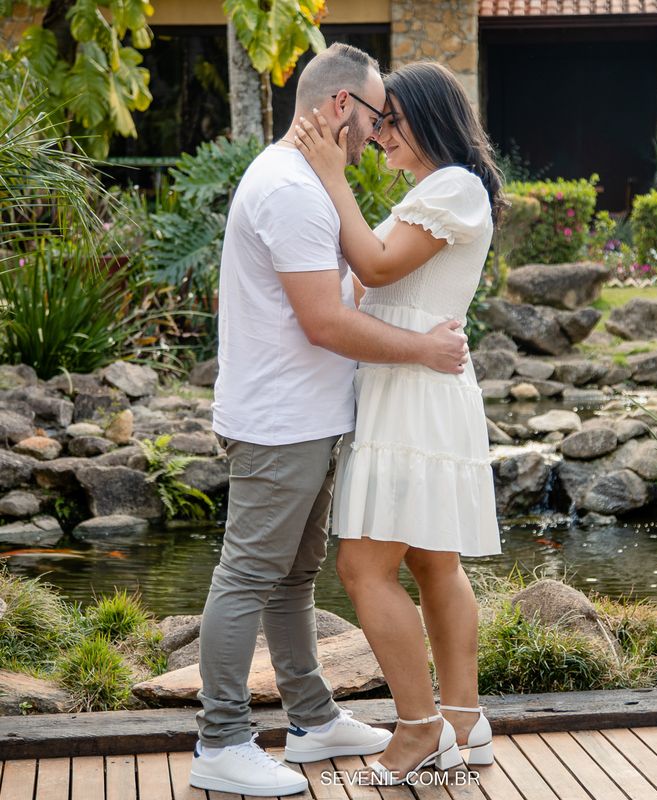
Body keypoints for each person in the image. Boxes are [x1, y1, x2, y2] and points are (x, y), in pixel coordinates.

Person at [190, 44, 470, 798]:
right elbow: (325, 321)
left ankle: (312, 718)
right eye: (378, 116)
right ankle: (220, 741)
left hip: (306, 415)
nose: (381, 134)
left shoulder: (308, 182)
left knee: (293, 577)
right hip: (280, 419)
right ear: (342, 108)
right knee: (249, 574)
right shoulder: (289, 188)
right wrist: (422, 349)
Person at [293, 60, 504, 785]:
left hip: (416, 390)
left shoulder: (455, 186)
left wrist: (332, 177)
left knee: (363, 566)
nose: (379, 134)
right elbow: (356, 282)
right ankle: (464, 724)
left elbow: (377, 270)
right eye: (378, 121)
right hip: (409, 383)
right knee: (429, 561)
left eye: (392, 120)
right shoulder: (429, 192)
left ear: (430, 119)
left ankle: (418, 730)